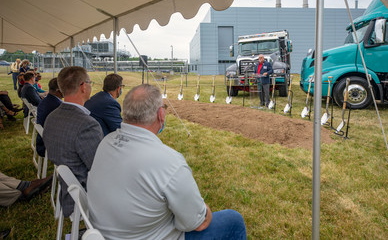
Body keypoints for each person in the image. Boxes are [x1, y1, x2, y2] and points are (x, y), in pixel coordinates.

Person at [87, 84, 246, 240]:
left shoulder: (106, 142)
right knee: (233, 220)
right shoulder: (169, 162)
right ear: (160, 114)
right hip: (144, 235)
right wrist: (204, 210)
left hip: (104, 232)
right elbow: (199, 223)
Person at [43, 66, 103, 218]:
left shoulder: (52, 116)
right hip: (83, 197)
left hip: (67, 189)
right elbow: (100, 169)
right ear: (83, 86)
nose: (90, 86)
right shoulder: (87, 124)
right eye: (90, 82)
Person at [36, 78, 63, 157]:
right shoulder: (57, 105)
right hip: (48, 146)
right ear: (59, 90)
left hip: (41, 141)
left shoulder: (46, 100)